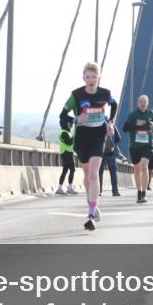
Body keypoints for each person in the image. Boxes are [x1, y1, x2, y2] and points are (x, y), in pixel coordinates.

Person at [60, 62, 118, 231]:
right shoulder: (76, 95)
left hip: (98, 135)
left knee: (93, 173)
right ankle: (91, 202)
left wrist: (110, 122)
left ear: (99, 78)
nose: (91, 80)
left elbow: (113, 104)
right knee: (86, 174)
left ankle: (91, 214)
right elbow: (63, 115)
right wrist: (75, 120)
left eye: (94, 77)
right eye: (88, 77)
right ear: (83, 78)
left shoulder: (105, 93)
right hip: (81, 137)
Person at [123, 95, 153, 204]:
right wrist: (135, 124)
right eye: (141, 101)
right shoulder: (133, 114)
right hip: (135, 146)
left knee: (144, 165)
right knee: (137, 169)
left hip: (147, 144)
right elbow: (125, 128)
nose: (143, 104)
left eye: (145, 102)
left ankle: (144, 193)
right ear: (138, 103)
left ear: (147, 103)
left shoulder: (150, 113)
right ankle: (138, 192)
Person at [98, 127, 125, 198]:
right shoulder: (112, 126)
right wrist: (114, 143)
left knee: (99, 173)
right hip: (111, 152)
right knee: (113, 173)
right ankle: (115, 191)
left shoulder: (99, 124)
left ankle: (98, 191)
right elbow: (119, 138)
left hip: (101, 153)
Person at [56, 114, 77, 195]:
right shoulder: (63, 132)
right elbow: (69, 142)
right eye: (70, 123)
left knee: (65, 171)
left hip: (68, 153)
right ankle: (69, 187)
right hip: (65, 153)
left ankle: (60, 188)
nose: (71, 125)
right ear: (66, 123)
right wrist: (75, 135)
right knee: (72, 169)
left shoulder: (67, 132)